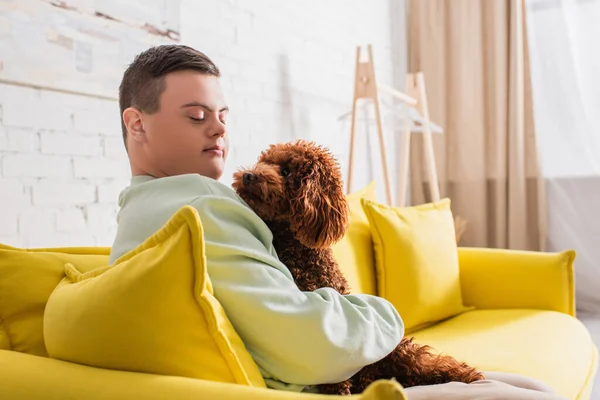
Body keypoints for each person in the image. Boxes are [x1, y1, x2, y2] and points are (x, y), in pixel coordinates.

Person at [108, 44, 565, 400]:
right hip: (318, 386)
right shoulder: (202, 207)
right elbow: (310, 346)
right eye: (197, 116)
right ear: (137, 124)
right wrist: (385, 314)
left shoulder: (140, 209)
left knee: (532, 386)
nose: (220, 130)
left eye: (223, 116)